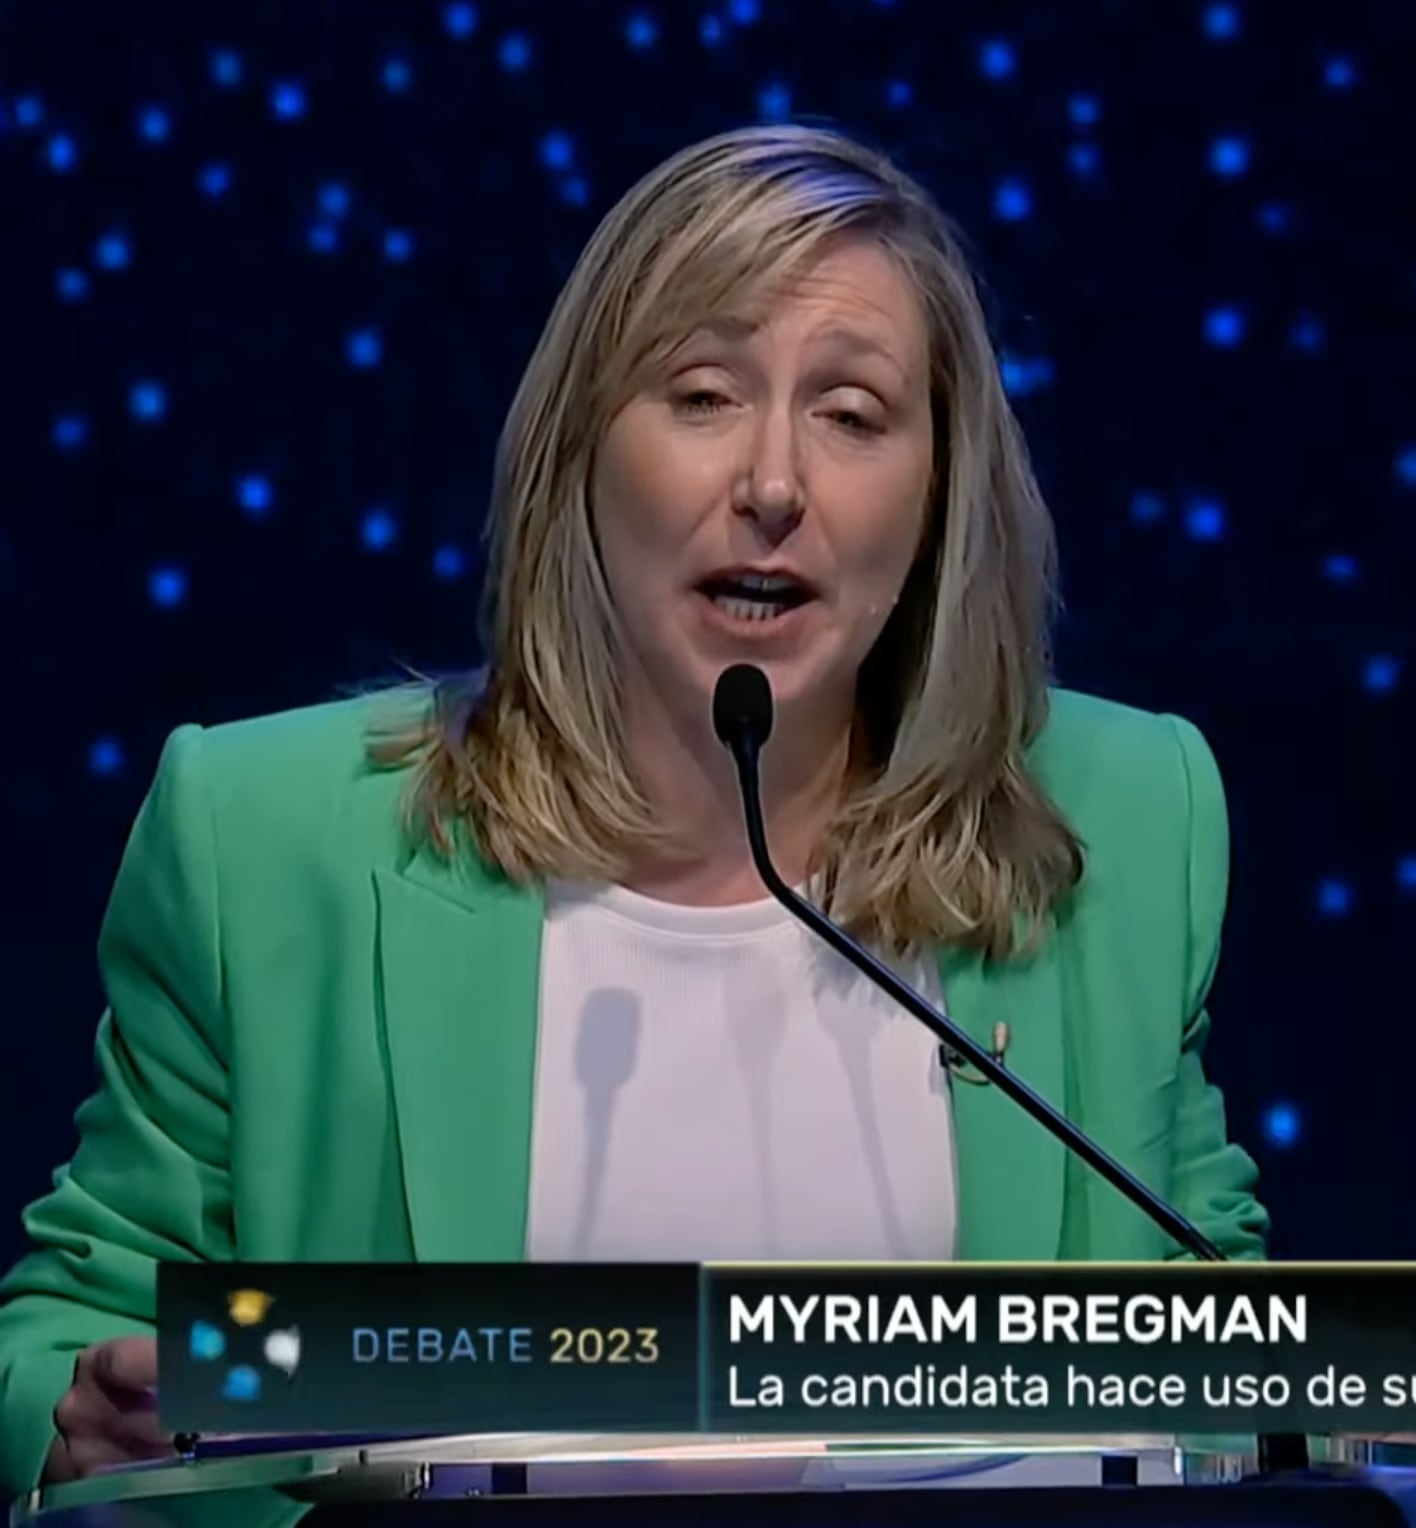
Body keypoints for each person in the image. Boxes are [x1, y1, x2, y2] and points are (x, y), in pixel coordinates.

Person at [0, 124, 1266, 1491]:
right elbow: (78, 1325)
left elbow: (1231, 1378)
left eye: (851, 415)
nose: (772, 486)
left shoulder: (1120, 830)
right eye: (703, 394)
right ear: (581, 455)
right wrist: (86, 1421)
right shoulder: (268, 842)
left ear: (939, 498)